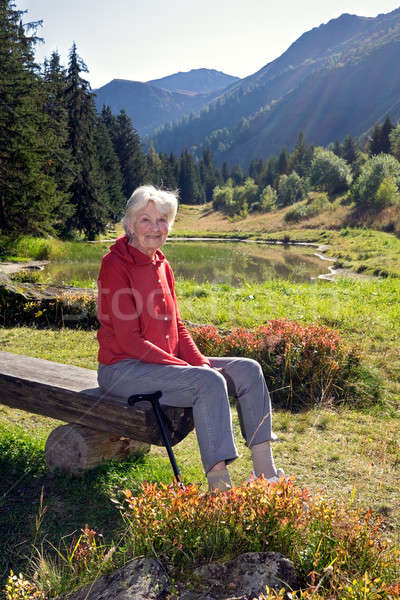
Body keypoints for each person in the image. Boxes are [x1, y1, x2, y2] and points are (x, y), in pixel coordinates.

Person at [97, 185, 283, 491]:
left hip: (162, 366)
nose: (155, 228)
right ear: (130, 224)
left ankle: (266, 476)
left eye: (162, 220)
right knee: (208, 383)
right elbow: (130, 341)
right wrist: (189, 371)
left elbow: (178, 328)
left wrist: (200, 363)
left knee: (248, 369)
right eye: (146, 220)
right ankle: (220, 489)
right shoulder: (115, 265)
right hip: (123, 370)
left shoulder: (162, 264)